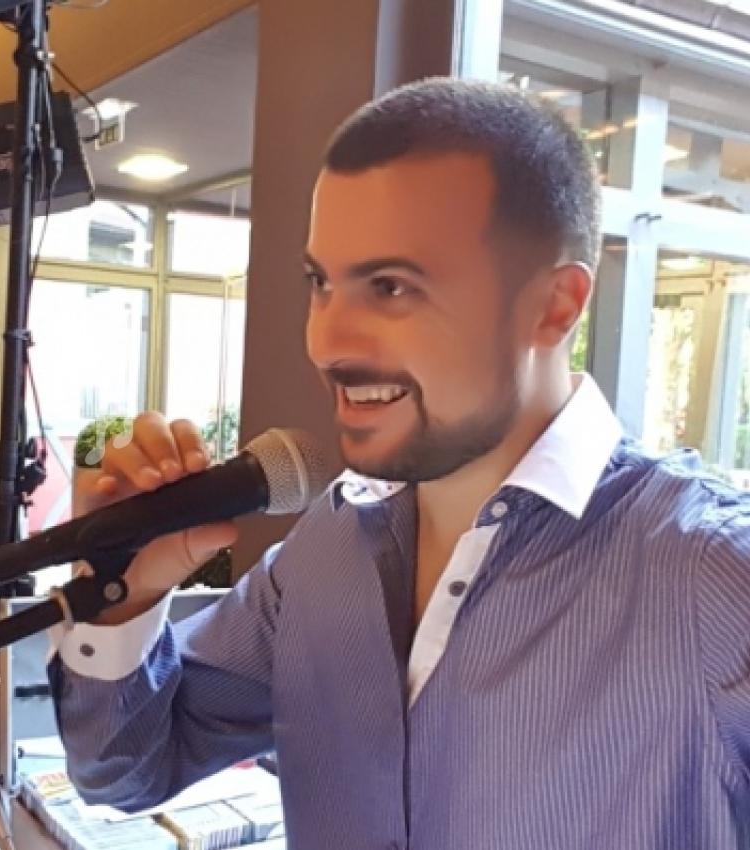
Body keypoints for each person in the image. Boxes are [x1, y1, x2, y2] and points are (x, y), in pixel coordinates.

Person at [47, 77, 750, 849]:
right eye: (322, 283)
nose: (328, 341)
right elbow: (124, 774)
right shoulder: (323, 553)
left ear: (553, 307)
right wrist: (128, 593)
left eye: (391, 286)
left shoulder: (713, 578)